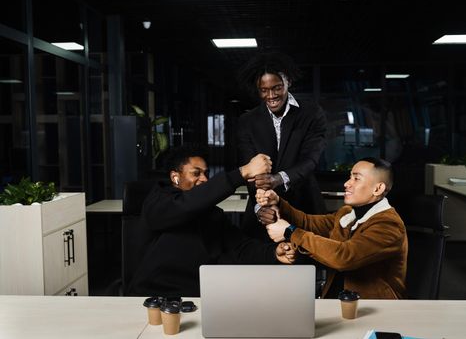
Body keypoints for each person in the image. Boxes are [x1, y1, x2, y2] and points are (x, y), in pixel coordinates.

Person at [127, 147, 296, 297]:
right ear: (175, 177)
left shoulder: (212, 214)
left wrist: (274, 252)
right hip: (151, 298)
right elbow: (187, 205)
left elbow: (241, 247)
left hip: (198, 298)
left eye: (206, 173)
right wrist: (242, 172)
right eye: (196, 173)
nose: (204, 179)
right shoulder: (158, 203)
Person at [256, 157, 407, 299]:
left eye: (356, 178)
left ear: (378, 188)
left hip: (370, 310)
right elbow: (308, 222)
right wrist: (278, 202)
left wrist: (289, 231)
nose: (347, 183)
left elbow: (344, 256)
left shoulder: (389, 225)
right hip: (337, 302)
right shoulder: (347, 214)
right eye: (350, 177)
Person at [237, 51, 327, 241]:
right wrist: (261, 206)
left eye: (277, 87)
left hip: (304, 205)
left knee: (306, 268)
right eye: (264, 90)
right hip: (262, 211)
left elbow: (310, 161)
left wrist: (278, 179)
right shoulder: (247, 121)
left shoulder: (311, 113)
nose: (271, 96)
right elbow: (251, 171)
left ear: (288, 82)